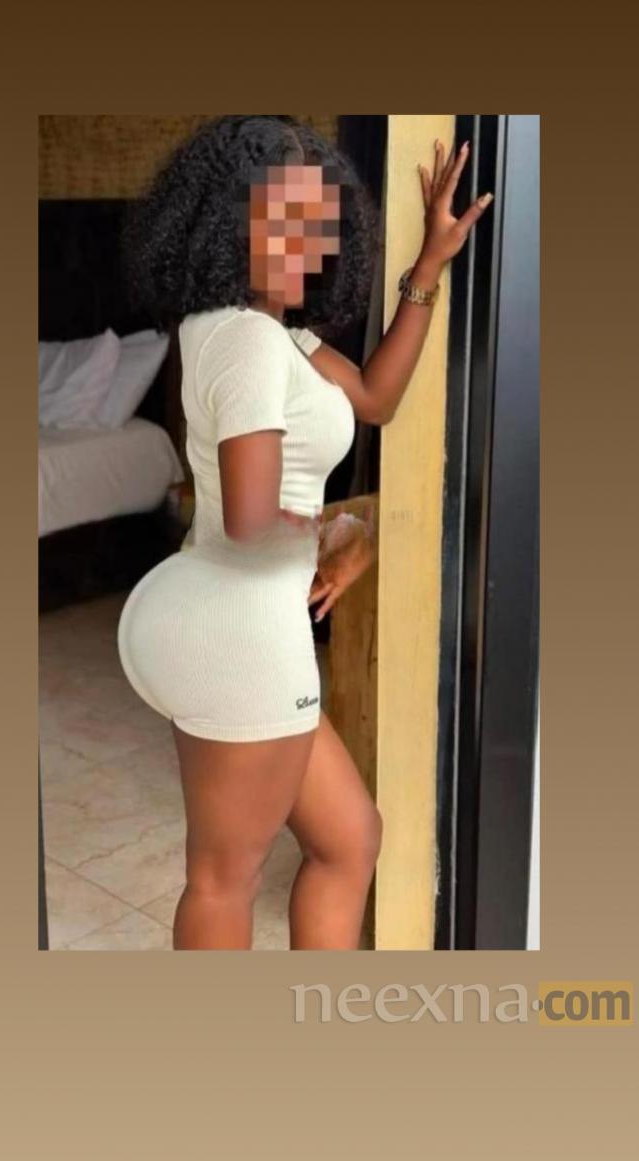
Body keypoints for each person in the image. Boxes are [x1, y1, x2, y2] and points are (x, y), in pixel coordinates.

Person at [116, 115, 492, 950]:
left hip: (221, 609)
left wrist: (428, 266)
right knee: (225, 877)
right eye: (280, 218)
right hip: (243, 627)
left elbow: (376, 399)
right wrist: (357, 527)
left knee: (349, 838)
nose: (306, 240)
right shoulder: (249, 340)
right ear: (231, 220)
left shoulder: (267, 332)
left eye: (317, 220)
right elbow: (253, 520)